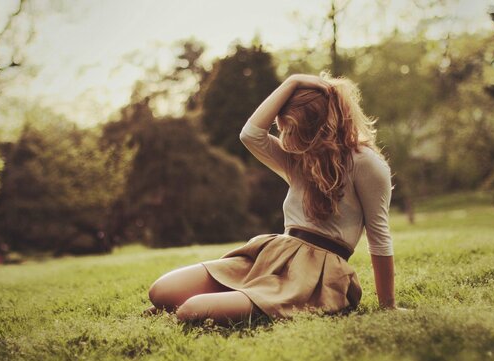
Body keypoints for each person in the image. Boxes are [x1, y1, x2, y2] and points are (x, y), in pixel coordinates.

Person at [146, 72, 401, 326]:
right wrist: (292, 82)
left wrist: (388, 305)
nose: (285, 138)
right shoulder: (298, 158)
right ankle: (239, 299)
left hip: (314, 274)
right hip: (273, 255)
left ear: (319, 126)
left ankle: (235, 302)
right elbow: (250, 134)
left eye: (291, 129)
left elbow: (379, 237)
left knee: (190, 311)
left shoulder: (366, 163)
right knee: (161, 292)